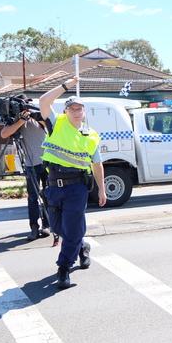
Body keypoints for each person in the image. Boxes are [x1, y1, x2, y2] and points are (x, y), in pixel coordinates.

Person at [39, 76, 107, 290]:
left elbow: (97, 165)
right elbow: (43, 101)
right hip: (53, 186)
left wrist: (102, 190)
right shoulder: (55, 125)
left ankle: (63, 268)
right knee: (59, 228)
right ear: (66, 111)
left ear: (84, 112)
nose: (77, 112)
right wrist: (66, 84)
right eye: (72, 109)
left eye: (80, 109)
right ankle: (81, 247)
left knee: (72, 228)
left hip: (77, 187)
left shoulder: (91, 136)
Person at [0, 103, 52, 241]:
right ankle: (34, 227)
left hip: (47, 161)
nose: (25, 111)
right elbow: (4, 133)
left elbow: (50, 126)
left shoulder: (37, 117)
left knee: (48, 194)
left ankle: (47, 225)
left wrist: (35, 116)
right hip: (31, 164)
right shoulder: (16, 121)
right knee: (33, 197)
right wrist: (21, 121)